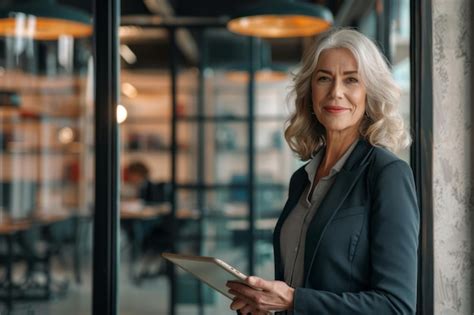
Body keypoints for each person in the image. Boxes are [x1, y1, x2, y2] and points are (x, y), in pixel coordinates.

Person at [226, 28, 420, 314]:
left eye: (351, 79)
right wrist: (266, 303)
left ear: (370, 93)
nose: (336, 92)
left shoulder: (387, 174)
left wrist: (294, 301)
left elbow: (396, 306)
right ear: (311, 92)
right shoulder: (301, 180)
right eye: (324, 78)